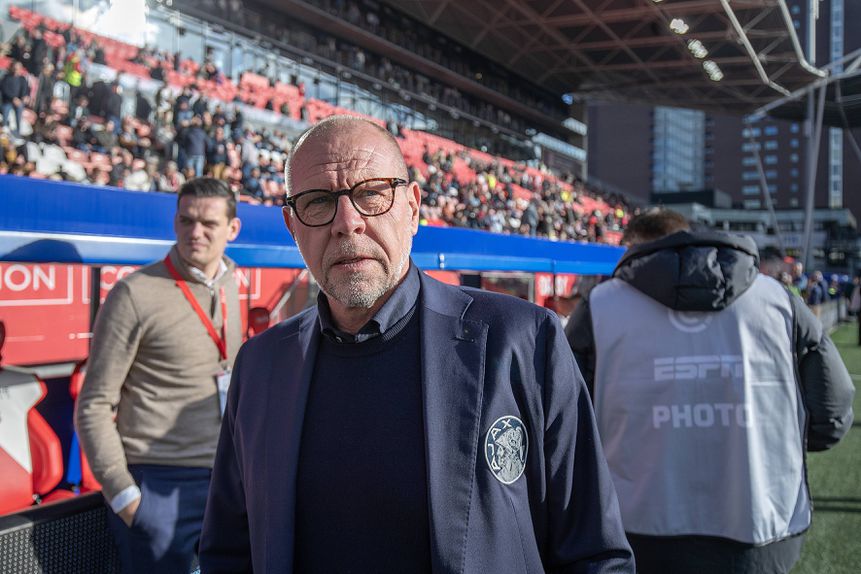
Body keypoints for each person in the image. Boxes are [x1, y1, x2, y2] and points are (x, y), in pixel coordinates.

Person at [198, 116, 634, 573]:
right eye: (318, 201)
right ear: (292, 225)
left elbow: (594, 554)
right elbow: (229, 551)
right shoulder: (262, 364)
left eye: (371, 194)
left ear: (412, 207)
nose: (348, 223)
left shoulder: (524, 341)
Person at [565, 209, 855, 574]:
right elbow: (831, 414)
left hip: (637, 526)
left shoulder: (603, 305)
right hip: (760, 524)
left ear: (632, 250)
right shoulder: (779, 301)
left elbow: (562, 424)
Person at [75, 178, 243, 574]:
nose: (195, 233)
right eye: (185, 221)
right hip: (158, 485)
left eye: (208, 224)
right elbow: (94, 403)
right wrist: (126, 497)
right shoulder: (134, 294)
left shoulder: (229, 283)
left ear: (232, 230)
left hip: (225, 480)